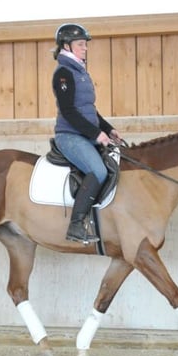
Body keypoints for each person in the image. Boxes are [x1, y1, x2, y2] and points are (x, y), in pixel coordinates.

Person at [51, 23, 122, 244]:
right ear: (66, 45)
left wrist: (108, 129)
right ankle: (76, 225)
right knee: (99, 172)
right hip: (70, 136)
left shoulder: (80, 72)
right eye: (80, 44)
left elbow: (89, 109)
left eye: (85, 44)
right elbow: (69, 112)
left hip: (86, 134)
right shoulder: (63, 73)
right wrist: (96, 134)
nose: (85, 48)